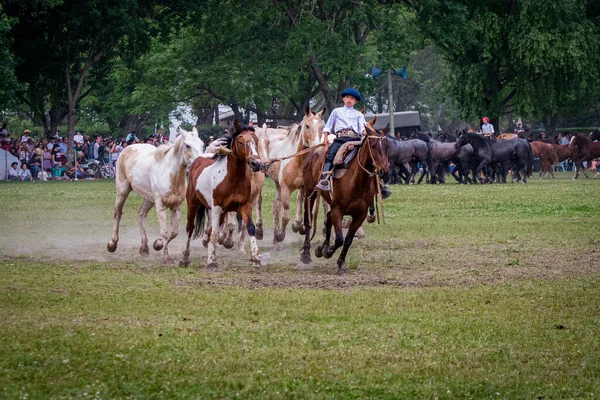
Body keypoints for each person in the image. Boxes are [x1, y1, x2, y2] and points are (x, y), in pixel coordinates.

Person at [316, 88, 392, 199]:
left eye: (352, 98)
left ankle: (379, 185)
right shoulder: (336, 112)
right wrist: (325, 138)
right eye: (347, 97)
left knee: (369, 157)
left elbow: (362, 127)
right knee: (330, 154)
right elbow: (328, 126)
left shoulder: (358, 115)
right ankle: (325, 179)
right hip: (340, 139)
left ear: (355, 101)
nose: (349, 100)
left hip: (356, 139)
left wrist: (366, 132)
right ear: (343, 98)